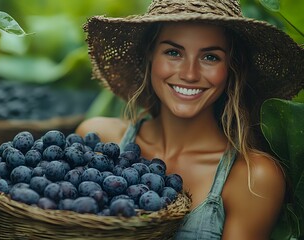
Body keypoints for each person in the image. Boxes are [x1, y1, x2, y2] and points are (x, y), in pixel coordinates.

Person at [76, 0, 304, 239]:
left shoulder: (252, 177)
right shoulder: (99, 140)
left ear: (232, 68)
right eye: (173, 52)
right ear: (150, 55)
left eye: (210, 57)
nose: (189, 74)